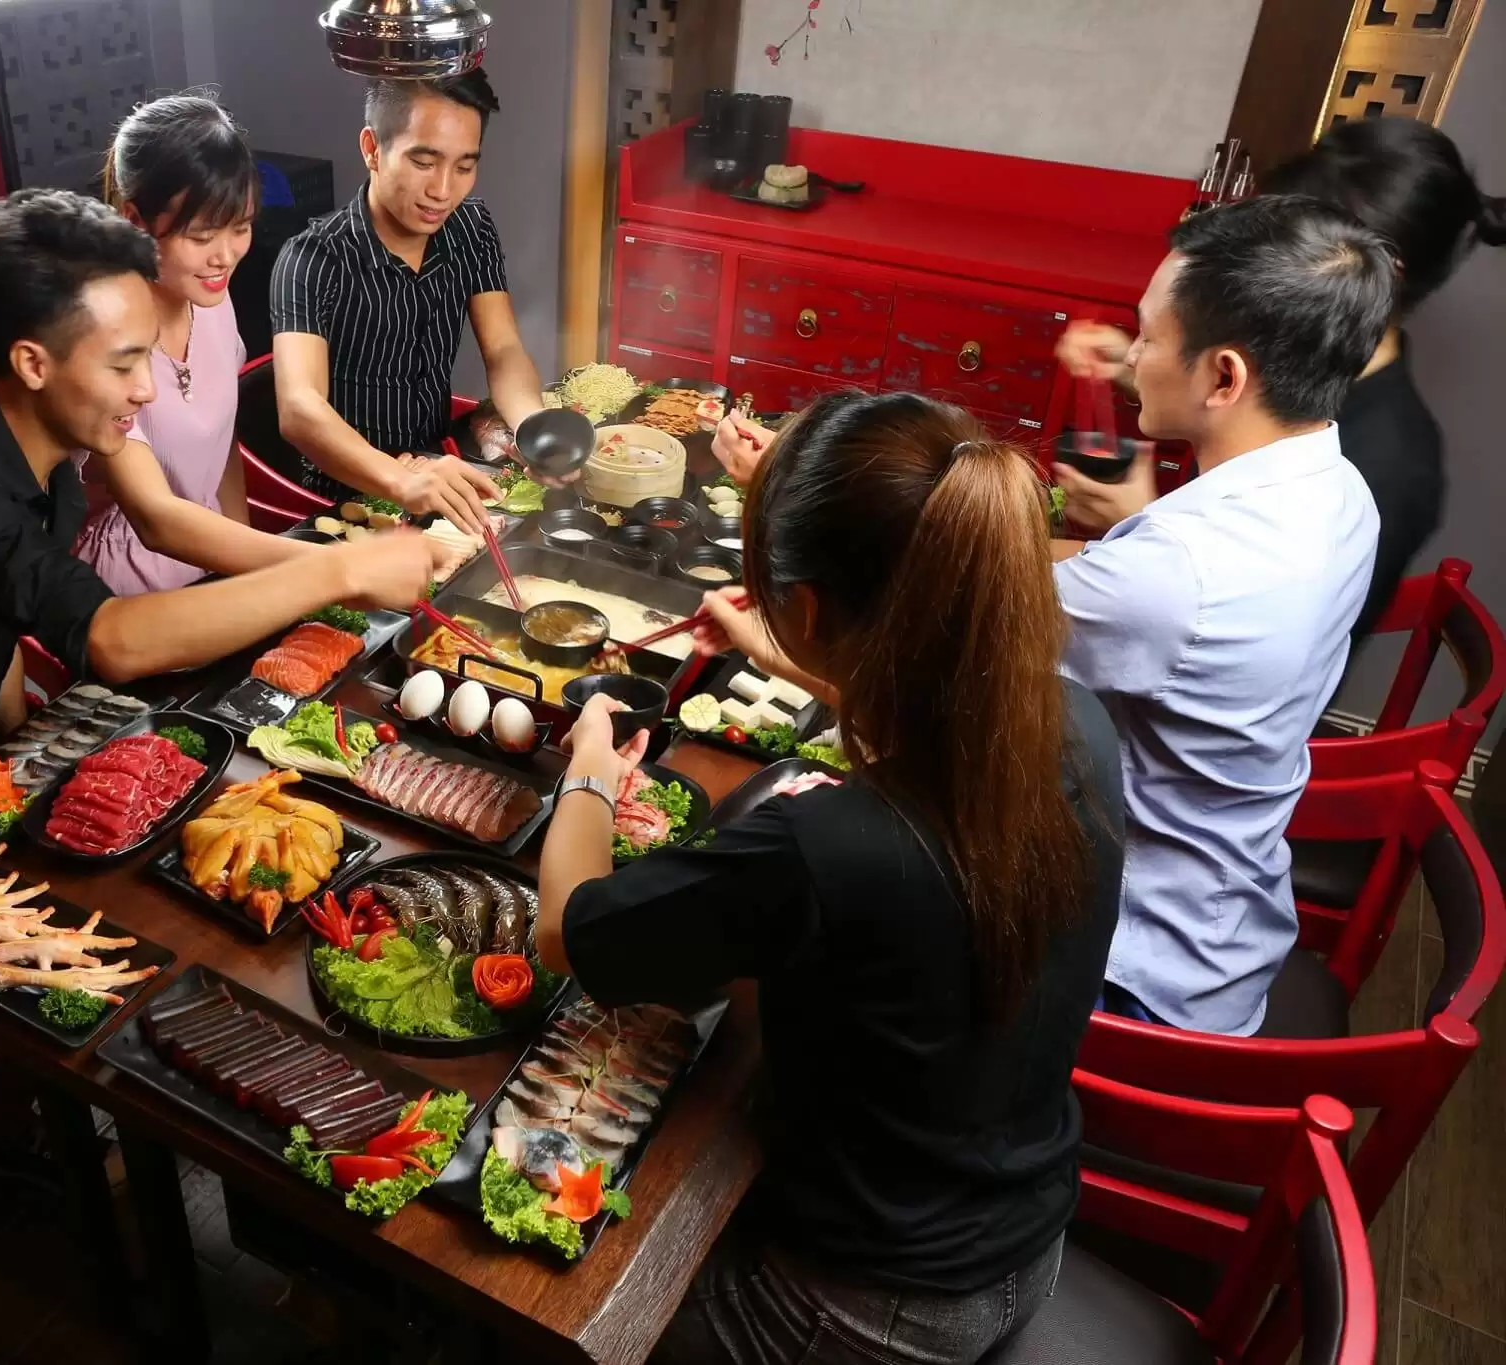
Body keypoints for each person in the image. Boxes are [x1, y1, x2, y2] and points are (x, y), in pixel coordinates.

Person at [0, 189, 436, 1195]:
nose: (146, 388)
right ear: (32, 363)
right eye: (124, 361)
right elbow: (111, 639)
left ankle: (45, 1123)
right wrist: (342, 569)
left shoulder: (53, 463)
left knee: (86, 959)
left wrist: (31, 765)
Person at [534, 391, 1126, 1365]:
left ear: (807, 608)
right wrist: (781, 653)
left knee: (542, 1320)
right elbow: (924, 702)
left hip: (862, 1308)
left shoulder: (828, 847)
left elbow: (569, 931)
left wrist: (591, 772)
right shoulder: (1067, 723)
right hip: (1022, 1233)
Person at [1053, 195, 1396, 1035]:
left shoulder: (1177, 575)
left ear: (1225, 376)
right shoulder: (1339, 488)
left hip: (1132, 971)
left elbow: (964, 609)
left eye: (1148, 337)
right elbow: (1114, 584)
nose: (1133, 355)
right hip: (1230, 921)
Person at [1056, 119, 1505, 644]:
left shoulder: (1389, 467)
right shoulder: (1301, 380)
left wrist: (1144, 522)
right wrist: (1138, 363)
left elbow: (1265, 627)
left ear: (1368, 267)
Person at [269, 68, 546, 535]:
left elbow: (503, 349)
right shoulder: (312, 258)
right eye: (424, 162)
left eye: (464, 167)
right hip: (348, 496)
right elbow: (300, 408)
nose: (443, 190)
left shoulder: (470, 227)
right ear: (372, 149)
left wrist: (536, 431)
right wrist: (400, 479)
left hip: (441, 470)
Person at [72, 93, 315, 594]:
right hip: (123, 587)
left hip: (212, 559)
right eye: (201, 237)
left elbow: (223, 445)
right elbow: (157, 521)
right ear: (137, 219)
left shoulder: (212, 302)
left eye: (241, 229)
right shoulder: (98, 338)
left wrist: (244, 565)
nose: (224, 257)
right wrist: (326, 568)